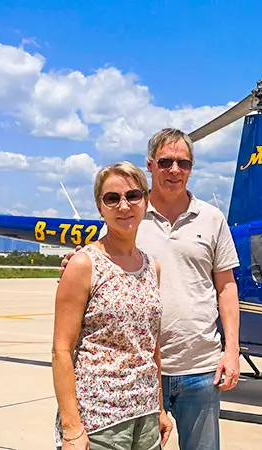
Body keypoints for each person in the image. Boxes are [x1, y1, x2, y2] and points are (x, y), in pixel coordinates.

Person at [62, 128, 240, 450]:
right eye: (166, 162)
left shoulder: (212, 218)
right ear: (150, 165)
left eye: (183, 163)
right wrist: (72, 264)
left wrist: (232, 350)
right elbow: (99, 258)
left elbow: (226, 287)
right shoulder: (128, 214)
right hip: (140, 374)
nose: (175, 170)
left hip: (199, 366)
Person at [52, 162, 173, 450]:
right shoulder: (84, 264)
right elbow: (61, 350)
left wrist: (159, 407)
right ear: (100, 207)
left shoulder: (151, 267)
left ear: (145, 201)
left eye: (133, 196)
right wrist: (71, 428)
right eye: (112, 198)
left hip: (144, 415)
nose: (124, 206)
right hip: (100, 420)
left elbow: (150, 346)